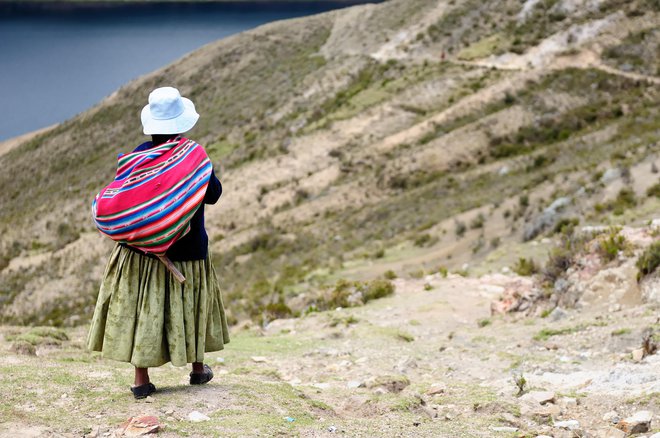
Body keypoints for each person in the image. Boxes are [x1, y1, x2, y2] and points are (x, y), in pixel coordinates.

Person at [86, 87, 230, 399]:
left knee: (145, 311)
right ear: (182, 124)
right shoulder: (194, 157)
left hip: (143, 252)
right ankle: (197, 369)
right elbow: (214, 194)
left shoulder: (138, 156)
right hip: (188, 251)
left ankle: (141, 380)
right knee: (191, 305)